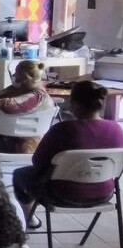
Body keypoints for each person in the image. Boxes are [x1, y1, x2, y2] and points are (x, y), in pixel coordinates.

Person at [13, 81, 123, 228]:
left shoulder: (62, 130)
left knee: (19, 175)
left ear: (75, 103)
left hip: (61, 194)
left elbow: (38, 162)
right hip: (104, 193)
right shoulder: (116, 129)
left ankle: (30, 219)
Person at [0, 60, 54, 154]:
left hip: (19, 141)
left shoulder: (38, 96)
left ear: (25, 77)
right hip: (1, 134)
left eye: (16, 74)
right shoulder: (22, 89)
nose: (14, 76)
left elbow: (9, 105)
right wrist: (11, 89)